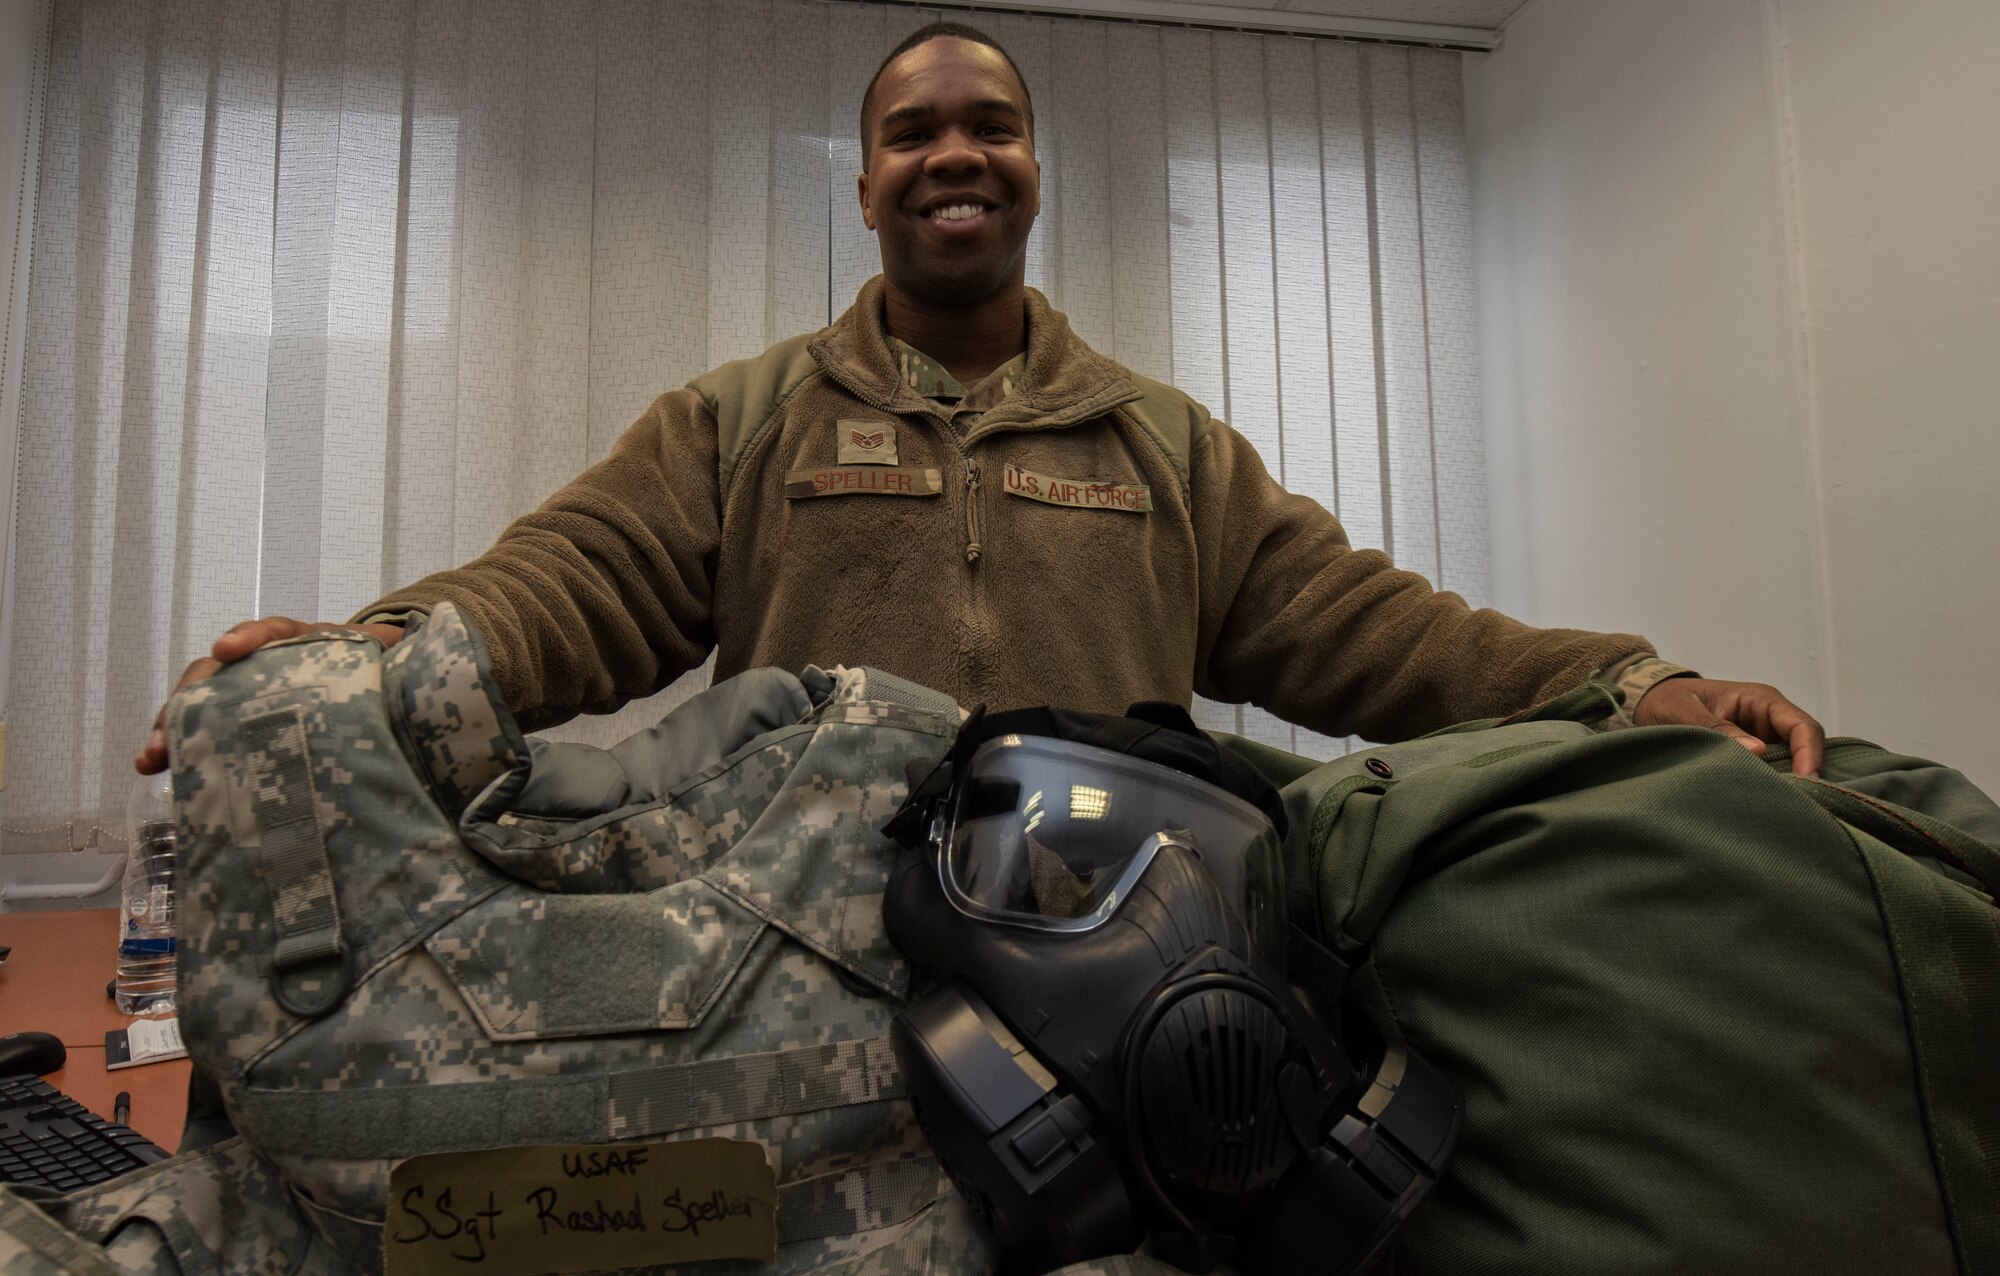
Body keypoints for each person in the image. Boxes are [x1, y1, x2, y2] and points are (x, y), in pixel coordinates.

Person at [137, 21, 1823, 779]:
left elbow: (1387, 635)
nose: (954, 149)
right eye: (913, 131)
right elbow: (559, 586)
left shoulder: (1160, 444)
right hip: (794, 970)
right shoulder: (741, 422)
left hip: (1120, 969)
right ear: (865, 189)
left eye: (991, 124)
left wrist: (1629, 686)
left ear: (1030, 175)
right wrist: (374, 652)